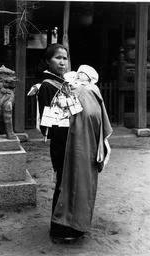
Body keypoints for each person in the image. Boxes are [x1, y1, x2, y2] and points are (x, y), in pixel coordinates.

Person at [38, 46, 112, 243]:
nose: (62, 62)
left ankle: (75, 225)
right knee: (64, 183)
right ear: (48, 61)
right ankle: (59, 229)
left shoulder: (68, 83)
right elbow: (48, 123)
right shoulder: (47, 85)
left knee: (77, 182)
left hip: (78, 141)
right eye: (57, 58)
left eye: (65, 58)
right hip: (64, 143)